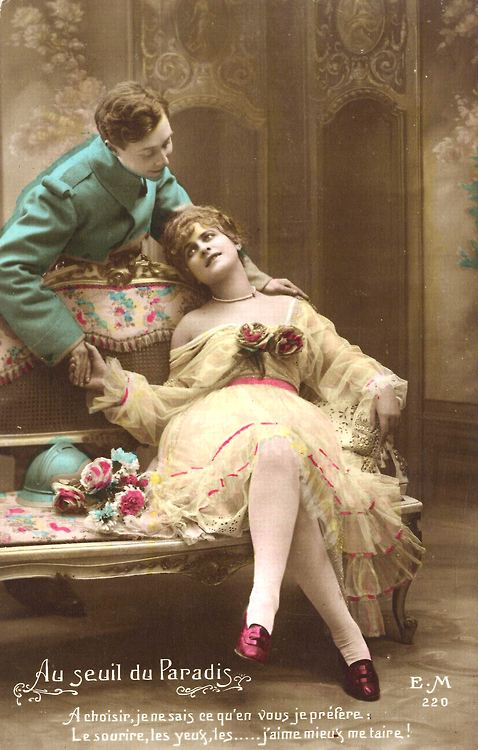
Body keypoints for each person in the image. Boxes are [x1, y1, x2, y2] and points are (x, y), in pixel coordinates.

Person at [80, 205, 423, 702]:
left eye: (209, 237)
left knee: (282, 449)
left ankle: (263, 616)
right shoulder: (193, 324)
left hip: (292, 423)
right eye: (190, 251)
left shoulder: (290, 309)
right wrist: (114, 386)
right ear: (189, 271)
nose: (203, 249)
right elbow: (176, 398)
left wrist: (380, 384)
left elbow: (339, 357)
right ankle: (348, 646)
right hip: (217, 432)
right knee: (276, 447)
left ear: (235, 240)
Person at [0, 81, 303, 389]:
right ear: (112, 148)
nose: (163, 160)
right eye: (148, 152)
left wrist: (257, 280)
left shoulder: (152, 169)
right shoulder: (66, 192)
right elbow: (8, 268)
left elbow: (189, 228)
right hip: (66, 303)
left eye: (166, 143)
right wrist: (66, 341)